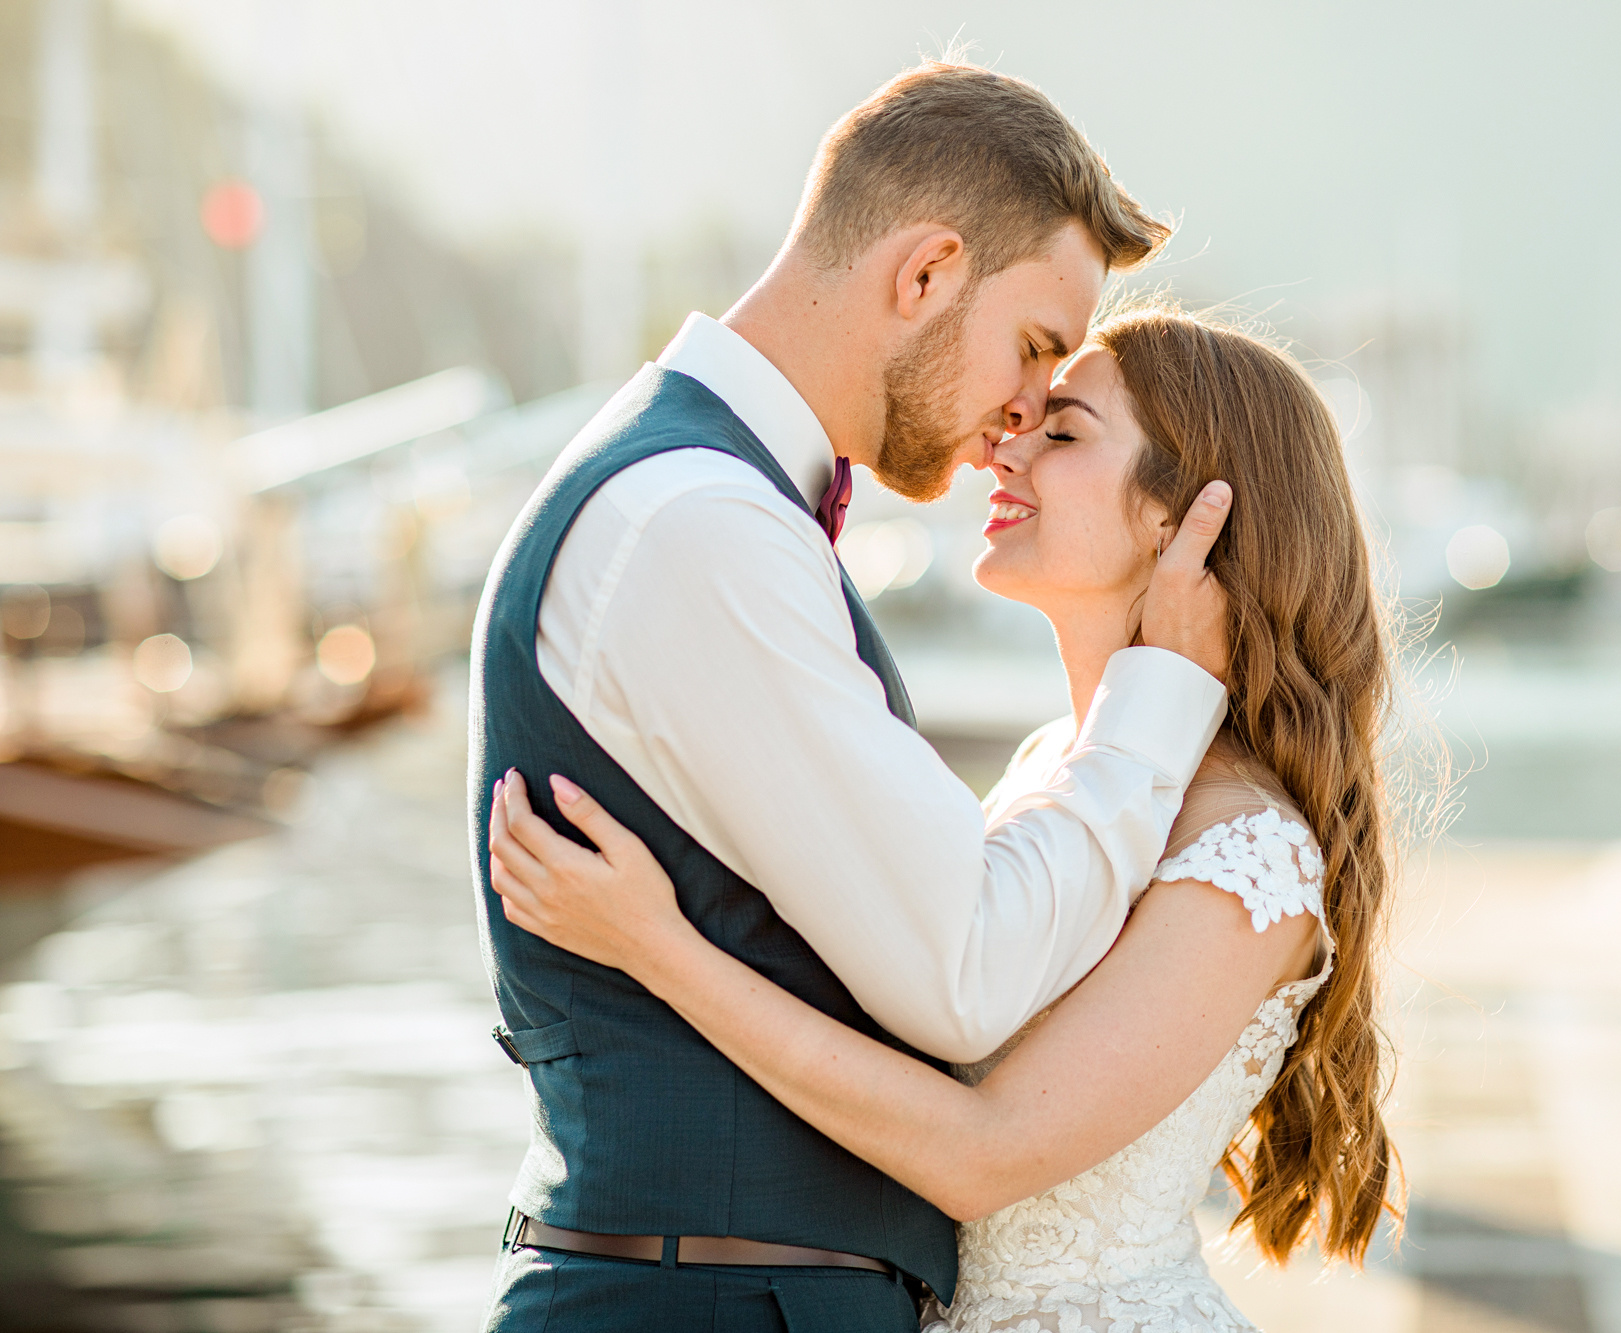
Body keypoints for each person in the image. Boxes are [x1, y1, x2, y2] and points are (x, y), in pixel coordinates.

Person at [469, 61, 1238, 1333]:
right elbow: (965, 971)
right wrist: (1158, 696)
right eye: (1034, 348)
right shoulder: (698, 526)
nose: (1023, 413)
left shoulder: (709, 503)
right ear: (925, 274)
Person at [489, 306, 1403, 1333]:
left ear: (1182, 516)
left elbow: (983, 1152)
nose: (1005, 448)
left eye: (1061, 434)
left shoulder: (1247, 858)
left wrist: (659, 947)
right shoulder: (1048, 769)